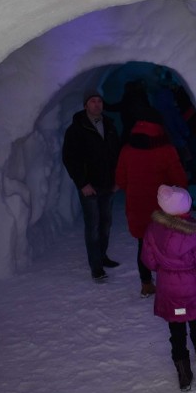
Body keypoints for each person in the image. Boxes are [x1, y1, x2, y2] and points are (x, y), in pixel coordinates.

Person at [141, 185, 196, 391]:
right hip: (192, 291)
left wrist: (163, 268)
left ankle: (183, 372)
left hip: (169, 291)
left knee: (176, 330)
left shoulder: (153, 230)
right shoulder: (195, 235)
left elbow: (148, 261)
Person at [115, 116, 188, 297]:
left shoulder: (127, 150)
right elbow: (180, 181)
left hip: (136, 207)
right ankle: (168, 283)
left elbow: (121, 181)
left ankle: (146, 283)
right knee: (168, 245)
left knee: (143, 244)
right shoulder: (166, 151)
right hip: (163, 209)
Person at [62, 89, 121, 282]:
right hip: (90, 186)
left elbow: (117, 155)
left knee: (106, 223)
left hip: (108, 184)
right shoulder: (77, 128)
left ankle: (102, 256)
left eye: (99, 101)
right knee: (93, 225)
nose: (97, 104)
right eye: (93, 101)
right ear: (85, 105)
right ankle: (96, 266)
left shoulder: (110, 125)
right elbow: (70, 158)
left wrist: (118, 179)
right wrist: (82, 183)